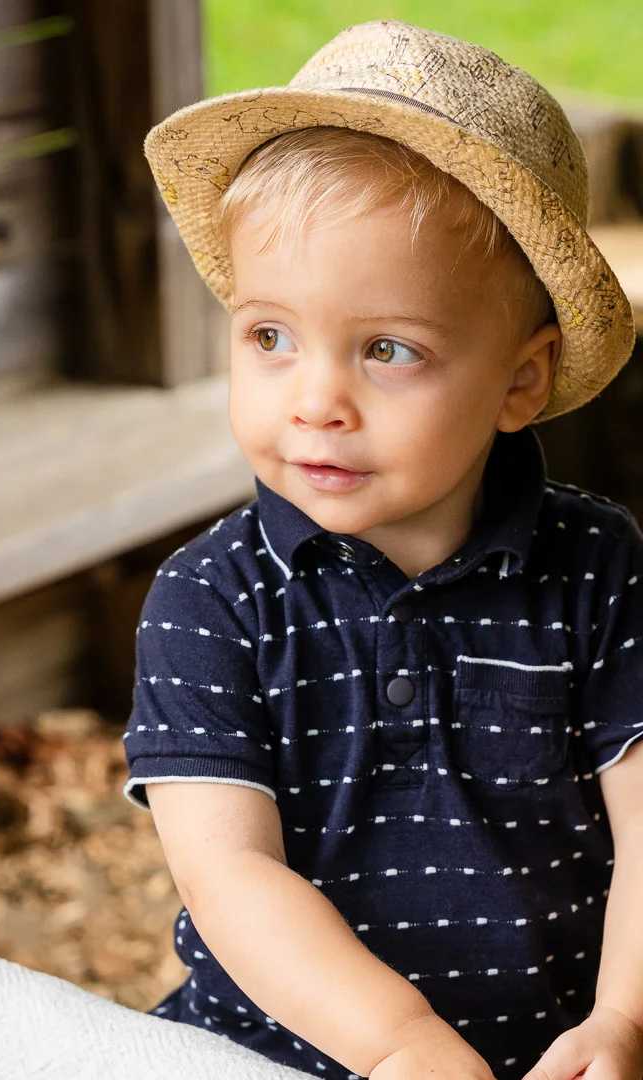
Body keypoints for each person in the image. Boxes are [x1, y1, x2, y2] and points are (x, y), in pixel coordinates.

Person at [122, 20, 643, 1080]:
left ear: (521, 381)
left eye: (388, 350)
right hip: (275, 1051)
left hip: (567, 1052)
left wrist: (622, 1023)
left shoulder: (597, 568)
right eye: (269, 336)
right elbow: (231, 877)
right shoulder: (212, 600)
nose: (316, 402)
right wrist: (401, 1048)